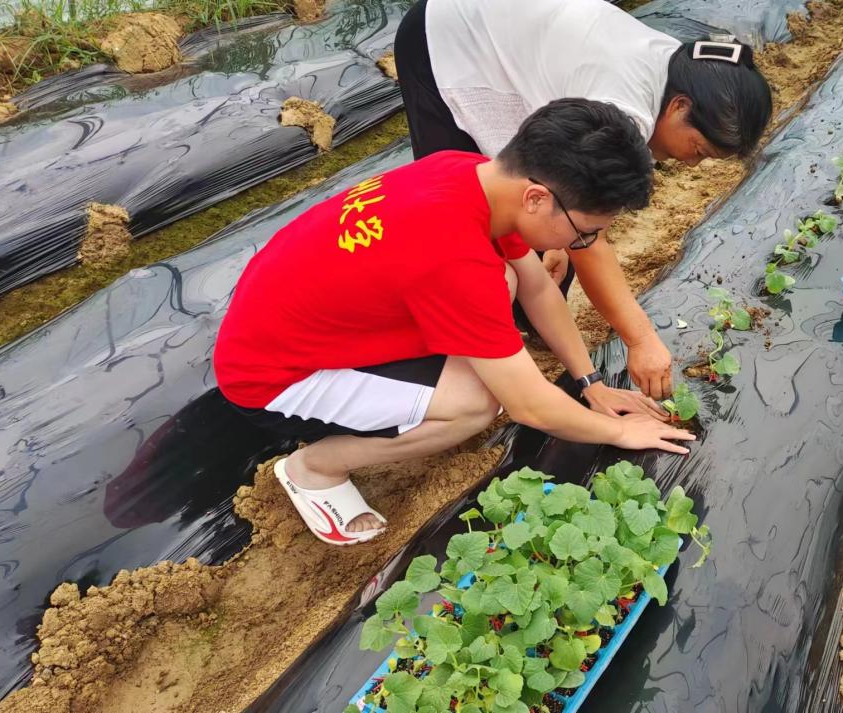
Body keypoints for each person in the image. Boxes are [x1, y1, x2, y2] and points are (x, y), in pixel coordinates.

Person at [213, 99, 695, 545]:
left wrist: (590, 381)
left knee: (506, 278)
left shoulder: (470, 174)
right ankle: (314, 469)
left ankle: (414, 388)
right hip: (271, 374)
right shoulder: (452, 259)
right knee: (477, 403)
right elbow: (529, 408)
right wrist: (618, 432)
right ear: (535, 199)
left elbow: (536, 285)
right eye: (586, 231)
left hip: (297, 312)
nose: (586, 242)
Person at [393, 0, 773, 401]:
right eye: (698, 150)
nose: (693, 164)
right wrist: (640, 339)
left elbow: (579, 220)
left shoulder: (682, 75)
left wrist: (557, 239)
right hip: (449, 38)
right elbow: (587, 238)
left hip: (517, 40)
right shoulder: (621, 107)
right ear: (680, 107)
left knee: (547, 222)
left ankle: (531, 322)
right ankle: (455, 356)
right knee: (471, 213)